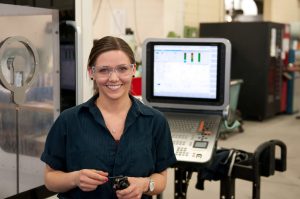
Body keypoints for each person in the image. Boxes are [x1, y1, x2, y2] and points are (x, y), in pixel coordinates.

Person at [40, 36, 177, 199]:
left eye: (122, 69)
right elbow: (50, 179)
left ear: (133, 70)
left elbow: (161, 180)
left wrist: (145, 184)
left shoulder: (155, 121)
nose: (113, 78)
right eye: (104, 70)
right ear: (92, 72)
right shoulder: (69, 121)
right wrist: (75, 179)